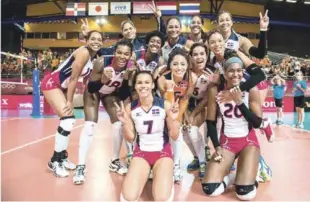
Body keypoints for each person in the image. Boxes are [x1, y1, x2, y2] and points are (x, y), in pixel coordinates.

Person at [41, 30, 103, 177]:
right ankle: (55, 161)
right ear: (86, 40)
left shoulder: (95, 57)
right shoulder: (84, 53)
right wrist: (69, 101)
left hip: (61, 86)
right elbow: (74, 78)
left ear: (102, 42)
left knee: (68, 122)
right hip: (52, 83)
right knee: (68, 120)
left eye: (99, 39)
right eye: (92, 38)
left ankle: (62, 156)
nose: (96, 41)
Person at [73, 40, 134, 184]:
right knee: (90, 126)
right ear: (114, 52)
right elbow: (92, 88)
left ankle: (114, 160)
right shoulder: (102, 62)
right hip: (93, 93)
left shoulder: (131, 68)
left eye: (126, 54)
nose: (122, 56)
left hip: (110, 94)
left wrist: (126, 79)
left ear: (130, 56)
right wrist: (103, 80)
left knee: (119, 124)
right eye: (119, 52)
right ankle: (80, 166)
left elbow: (125, 93)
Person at [202, 56, 262, 201]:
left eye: (239, 71)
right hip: (227, 141)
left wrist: (240, 103)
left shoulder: (251, 89)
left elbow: (257, 123)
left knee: (245, 193)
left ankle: (253, 170)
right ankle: (231, 178)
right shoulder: (215, 91)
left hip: (248, 141)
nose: (236, 74)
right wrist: (216, 146)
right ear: (224, 73)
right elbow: (210, 122)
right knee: (210, 189)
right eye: (231, 71)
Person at [117, 71, 180, 201]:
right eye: (139, 82)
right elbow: (130, 138)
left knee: (161, 199)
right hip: (141, 153)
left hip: (163, 153)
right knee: (128, 197)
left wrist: (173, 119)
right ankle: (147, 173)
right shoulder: (130, 108)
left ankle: (166, 175)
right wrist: (125, 122)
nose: (143, 86)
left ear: (152, 85)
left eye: (147, 82)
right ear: (135, 86)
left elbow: (174, 136)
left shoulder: (164, 104)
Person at [157, 48, 198, 183]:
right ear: (170, 65)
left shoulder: (192, 77)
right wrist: (169, 90)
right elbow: (166, 103)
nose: (179, 67)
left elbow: (185, 99)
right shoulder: (163, 79)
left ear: (187, 65)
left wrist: (178, 117)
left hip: (178, 106)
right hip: (162, 106)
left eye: (182, 64)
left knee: (176, 130)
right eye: (175, 64)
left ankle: (176, 166)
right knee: (168, 131)